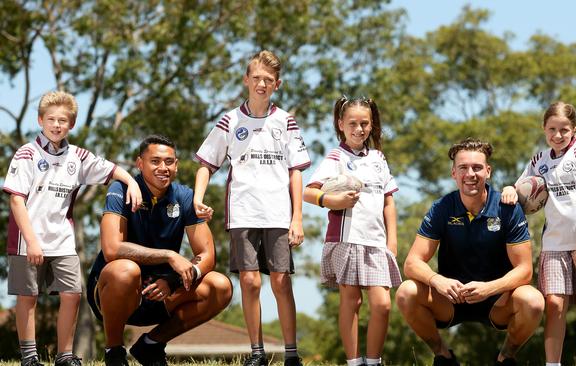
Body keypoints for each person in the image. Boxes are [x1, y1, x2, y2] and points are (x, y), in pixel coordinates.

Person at [2, 91, 142, 366]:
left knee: (72, 294)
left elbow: (112, 170)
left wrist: (132, 183)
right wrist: (31, 242)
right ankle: (29, 357)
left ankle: (65, 356)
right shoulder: (27, 153)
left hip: (62, 240)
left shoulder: (78, 156)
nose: (56, 125)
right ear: (41, 120)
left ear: (71, 125)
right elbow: (16, 200)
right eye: (51, 119)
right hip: (27, 239)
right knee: (28, 297)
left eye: (62, 121)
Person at [193, 50, 310, 366]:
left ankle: (291, 354)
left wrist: (297, 218)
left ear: (277, 84)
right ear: (246, 80)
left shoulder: (285, 121)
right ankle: (256, 352)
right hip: (243, 212)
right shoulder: (230, 120)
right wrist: (197, 197)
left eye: (268, 80)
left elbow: (296, 171)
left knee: (281, 282)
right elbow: (206, 164)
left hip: (278, 214)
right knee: (249, 281)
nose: (262, 84)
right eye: (256, 78)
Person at [396, 138, 545, 366]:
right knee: (406, 292)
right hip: (451, 299)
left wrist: (489, 288)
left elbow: (525, 270)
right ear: (453, 173)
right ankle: (443, 356)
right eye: (463, 168)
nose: (470, 174)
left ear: (488, 171)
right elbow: (412, 263)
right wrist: (437, 281)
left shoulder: (508, 207)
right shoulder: (442, 208)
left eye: (477, 167)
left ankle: (506, 357)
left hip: (498, 300)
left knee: (533, 301)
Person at [86, 134, 233, 366]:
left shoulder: (185, 197)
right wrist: (169, 255)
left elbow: (207, 255)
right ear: (140, 164)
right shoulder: (120, 189)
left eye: (169, 162)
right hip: (115, 292)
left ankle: (151, 345)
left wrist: (173, 280)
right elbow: (111, 249)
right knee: (126, 270)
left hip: (161, 292)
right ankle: (114, 352)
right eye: (155, 161)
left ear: (176, 165)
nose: (163, 167)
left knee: (220, 286)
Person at [501, 102, 576, 366]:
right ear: (544, 128)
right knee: (555, 306)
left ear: (574, 129)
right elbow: (522, 187)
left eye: (564, 130)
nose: (558, 135)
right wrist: (509, 189)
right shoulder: (539, 159)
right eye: (552, 129)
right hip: (553, 244)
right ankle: (552, 364)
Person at [303, 96, 401, 366]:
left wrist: (392, 240)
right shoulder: (336, 157)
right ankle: (354, 362)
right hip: (346, 240)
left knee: (382, 304)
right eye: (353, 123)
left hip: (377, 243)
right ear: (340, 124)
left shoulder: (379, 158)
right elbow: (309, 193)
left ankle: (373, 361)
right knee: (351, 301)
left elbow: (389, 202)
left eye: (365, 124)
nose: (359, 129)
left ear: (372, 125)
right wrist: (333, 201)